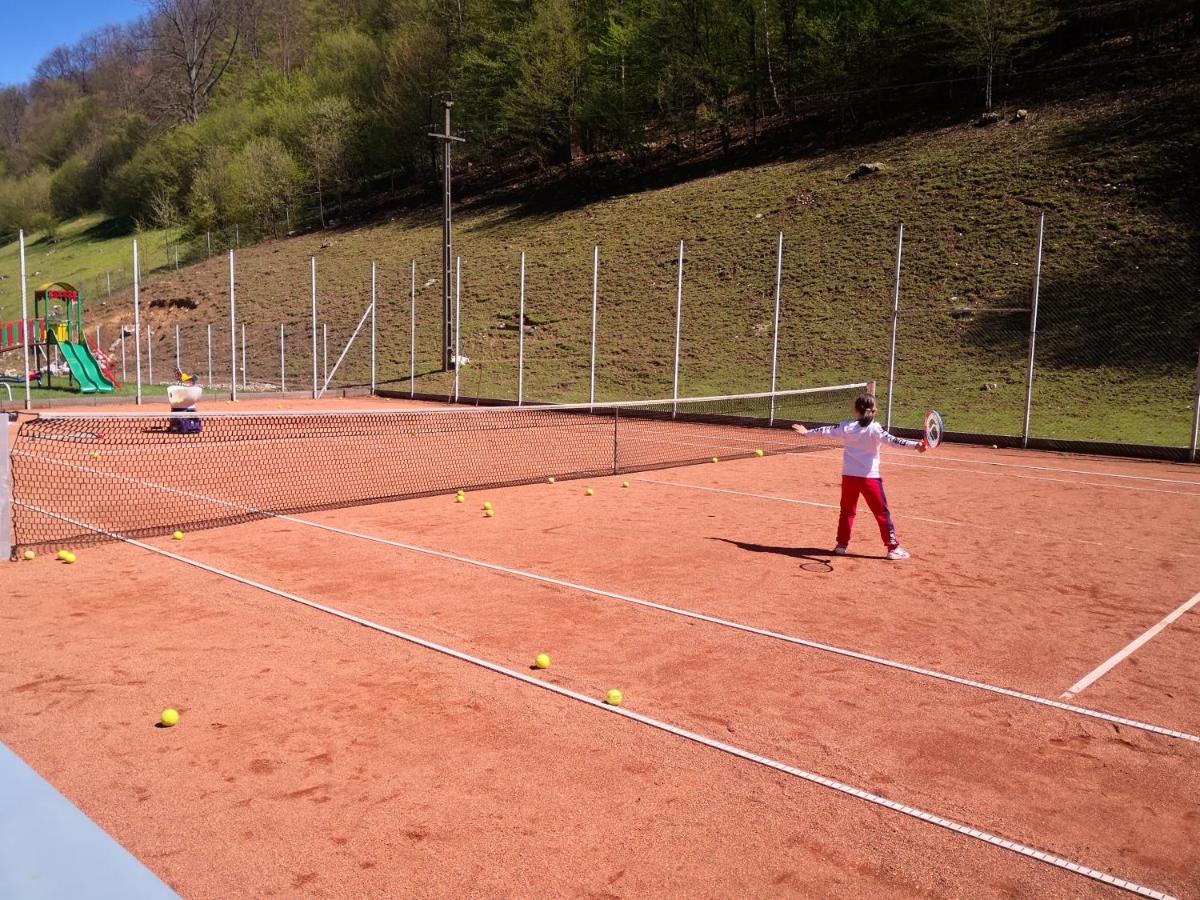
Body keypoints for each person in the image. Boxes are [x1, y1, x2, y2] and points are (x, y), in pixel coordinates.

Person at [792, 393, 925, 560]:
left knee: (847, 512)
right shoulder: (875, 428)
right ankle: (893, 548)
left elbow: (825, 431)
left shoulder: (846, 427)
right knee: (882, 513)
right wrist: (916, 446)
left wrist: (807, 432)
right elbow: (893, 441)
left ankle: (841, 545)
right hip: (870, 479)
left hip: (849, 478)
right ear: (874, 410)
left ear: (856, 410)